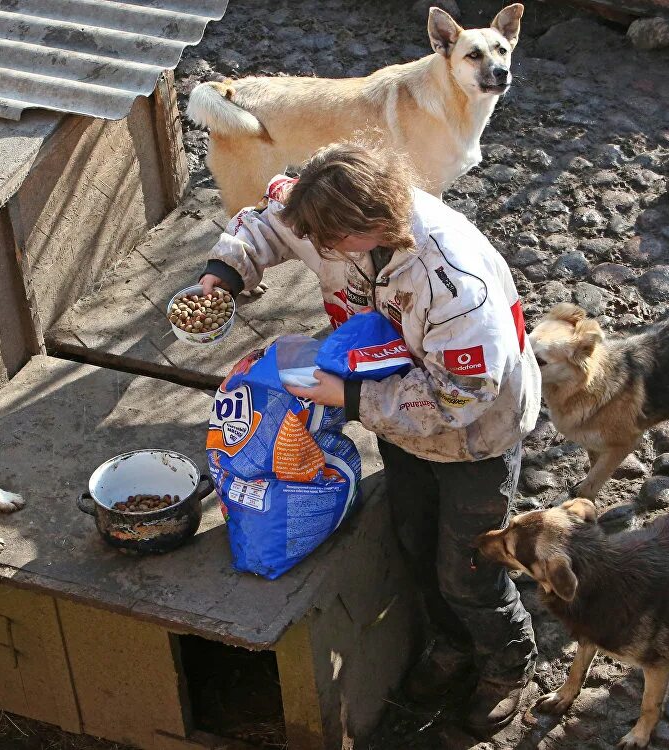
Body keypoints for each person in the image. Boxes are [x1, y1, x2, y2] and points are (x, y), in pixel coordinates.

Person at [198, 142, 541, 733]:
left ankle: (507, 662)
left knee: (468, 567)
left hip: (475, 437)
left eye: (328, 244)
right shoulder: (330, 212)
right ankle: (452, 645)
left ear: (371, 227)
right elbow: (270, 221)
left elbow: (459, 395)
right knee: (412, 538)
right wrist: (224, 275)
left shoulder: (454, 282)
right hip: (402, 425)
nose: (318, 251)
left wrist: (351, 399)